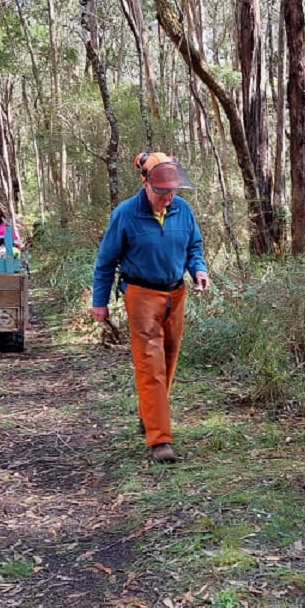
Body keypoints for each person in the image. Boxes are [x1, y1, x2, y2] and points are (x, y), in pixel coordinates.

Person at [91, 152, 211, 464]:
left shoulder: (182, 210)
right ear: (146, 184)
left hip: (176, 294)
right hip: (141, 295)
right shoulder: (125, 214)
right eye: (162, 191)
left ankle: (150, 413)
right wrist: (99, 302)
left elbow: (194, 246)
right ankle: (160, 440)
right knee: (150, 366)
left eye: (172, 191)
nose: (168, 197)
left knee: (168, 360)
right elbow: (105, 261)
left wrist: (199, 269)